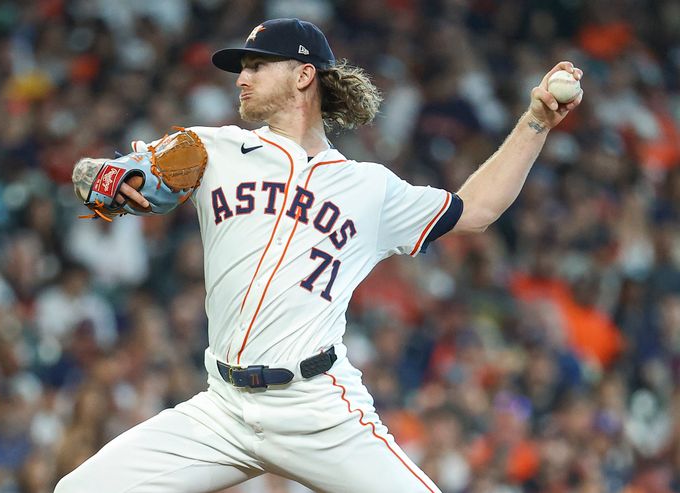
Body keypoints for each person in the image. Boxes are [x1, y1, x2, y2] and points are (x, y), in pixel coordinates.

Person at [56, 18, 583, 493]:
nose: (242, 77)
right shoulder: (210, 148)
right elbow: (102, 175)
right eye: (242, 68)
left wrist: (535, 121)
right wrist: (98, 176)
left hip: (315, 406)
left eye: (257, 66)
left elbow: (478, 209)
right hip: (223, 406)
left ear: (303, 75)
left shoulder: (369, 189)